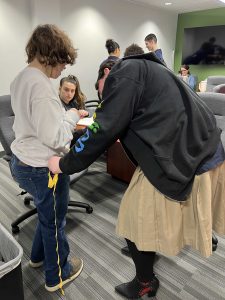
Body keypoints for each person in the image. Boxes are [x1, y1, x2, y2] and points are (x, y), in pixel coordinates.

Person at [48, 52, 225, 299]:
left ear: (107, 74)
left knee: (132, 220)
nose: (103, 98)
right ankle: (145, 252)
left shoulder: (123, 75)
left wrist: (63, 164)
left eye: (102, 92)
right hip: (200, 145)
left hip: (185, 155)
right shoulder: (146, 69)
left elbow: (103, 126)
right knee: (143, 216)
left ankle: (145, 282)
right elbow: (110, 124)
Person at [10, 24, 85, 293]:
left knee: (46, 216)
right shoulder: (42, 90)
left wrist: (63, 117)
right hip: (44, 169)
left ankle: (38, 257)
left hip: (21, 162)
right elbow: (57, 138)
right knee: (55, 222)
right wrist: (73, 117)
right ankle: (58, 276)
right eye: (63, 62)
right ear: (51, 55)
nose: (63, 69)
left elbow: (37, 126)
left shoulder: (20, 78)